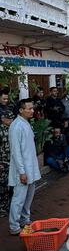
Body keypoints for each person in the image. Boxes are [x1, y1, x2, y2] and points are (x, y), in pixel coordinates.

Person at [8, 98, 41, 235]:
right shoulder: (16, 126)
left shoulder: (26, 123)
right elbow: (16, 152)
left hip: (31, 167)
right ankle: (14, 226)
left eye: (32, 108)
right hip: (21, 169)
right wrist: (22, 171)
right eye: (29, 108)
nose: (32, 111)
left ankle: (25, 219)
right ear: (21, 110)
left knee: (28, 197)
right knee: (19, 198)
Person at [0, 89, 15, 217]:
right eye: (3, 99)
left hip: (11, 157)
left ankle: (9, 206)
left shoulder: (12, 129)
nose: (9, 120)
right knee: (2, 185)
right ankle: (2, 208)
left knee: (10, 184)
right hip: (2, 160)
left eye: (6, 99)